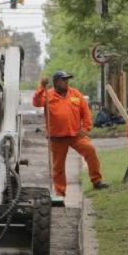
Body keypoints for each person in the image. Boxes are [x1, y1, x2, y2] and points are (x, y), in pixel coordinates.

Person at [33, 70, 108, 201]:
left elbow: (86, 112)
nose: (66, 82)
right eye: (63, 80)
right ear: (56, 82)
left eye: (67, 80)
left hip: (76, 135)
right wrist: (41, 87)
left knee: (90, 150)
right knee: (58, 167)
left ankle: (97, 181)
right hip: (57, 138)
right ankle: (60, 194)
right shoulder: (48, 94)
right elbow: (37, 102)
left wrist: (86, 128)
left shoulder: (75, 94)